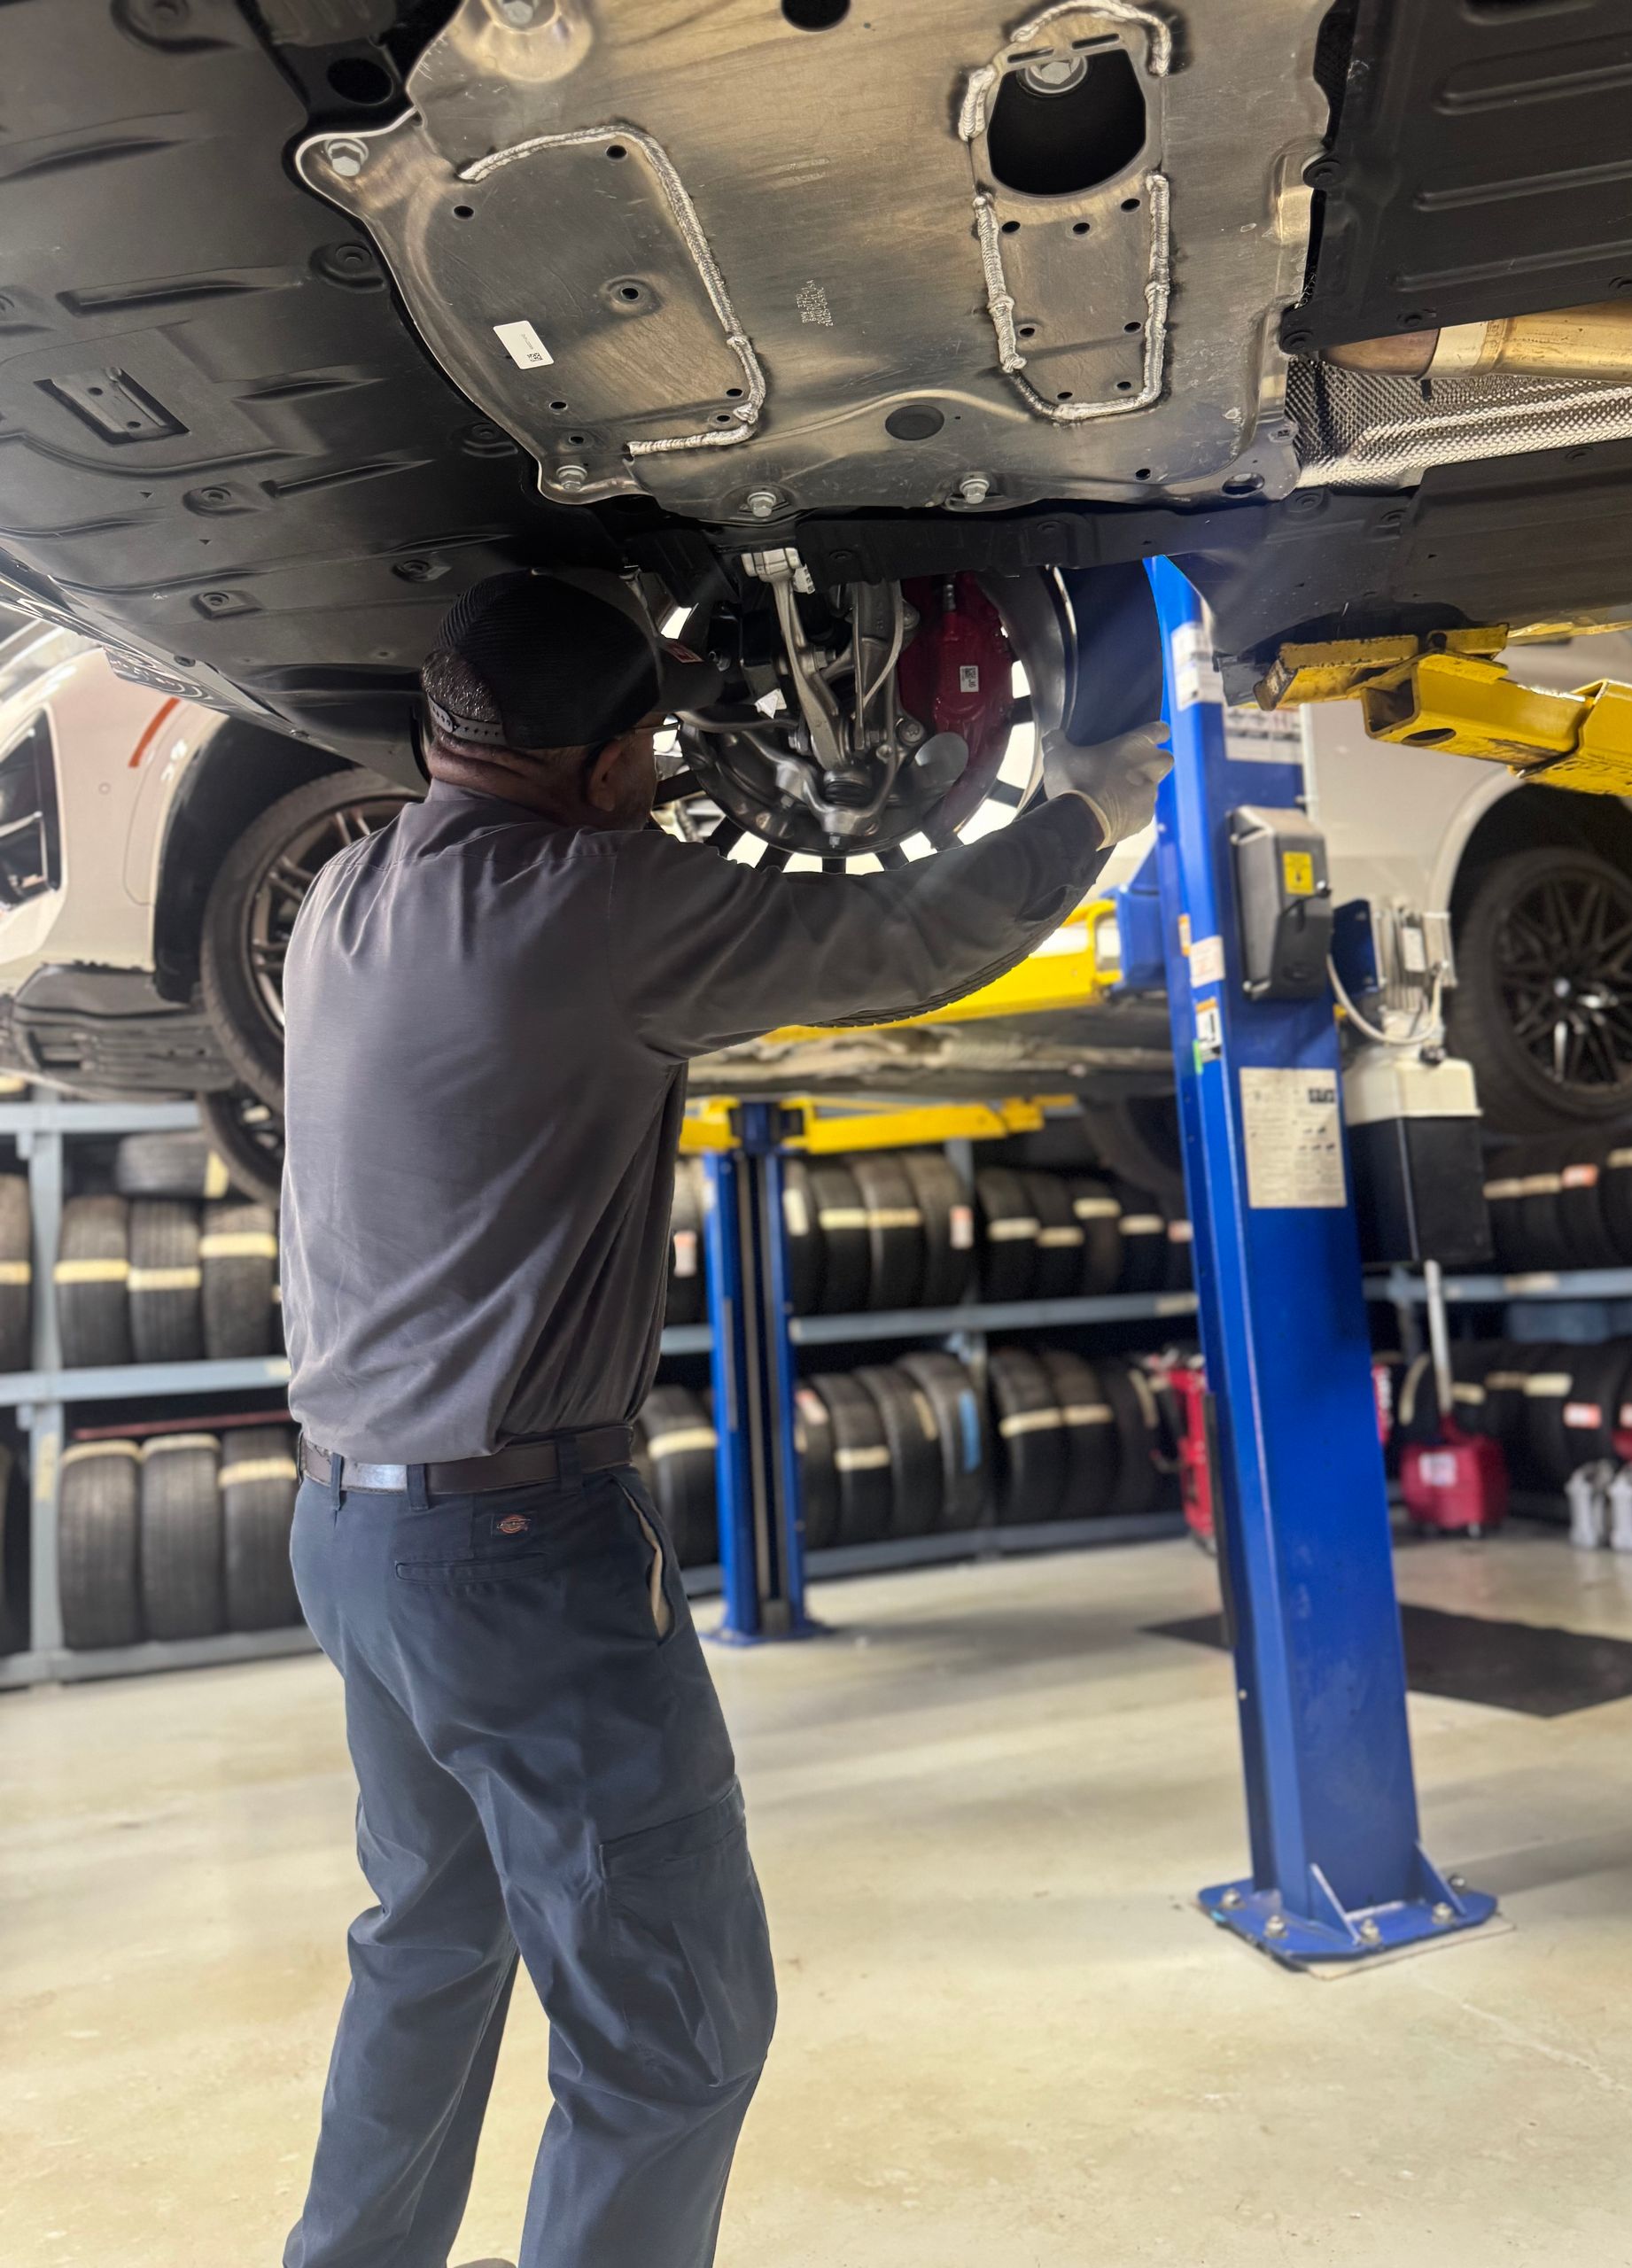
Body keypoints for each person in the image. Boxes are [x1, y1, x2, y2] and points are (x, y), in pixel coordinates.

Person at [278, 567, 1169, 2268]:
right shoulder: (596, 906)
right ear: (613, 775)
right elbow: (904, 942)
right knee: (671, 2033)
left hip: (353, 1541)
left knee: (431, 1944)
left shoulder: (344, 889)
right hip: (516, 1563)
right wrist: (1089, 812)